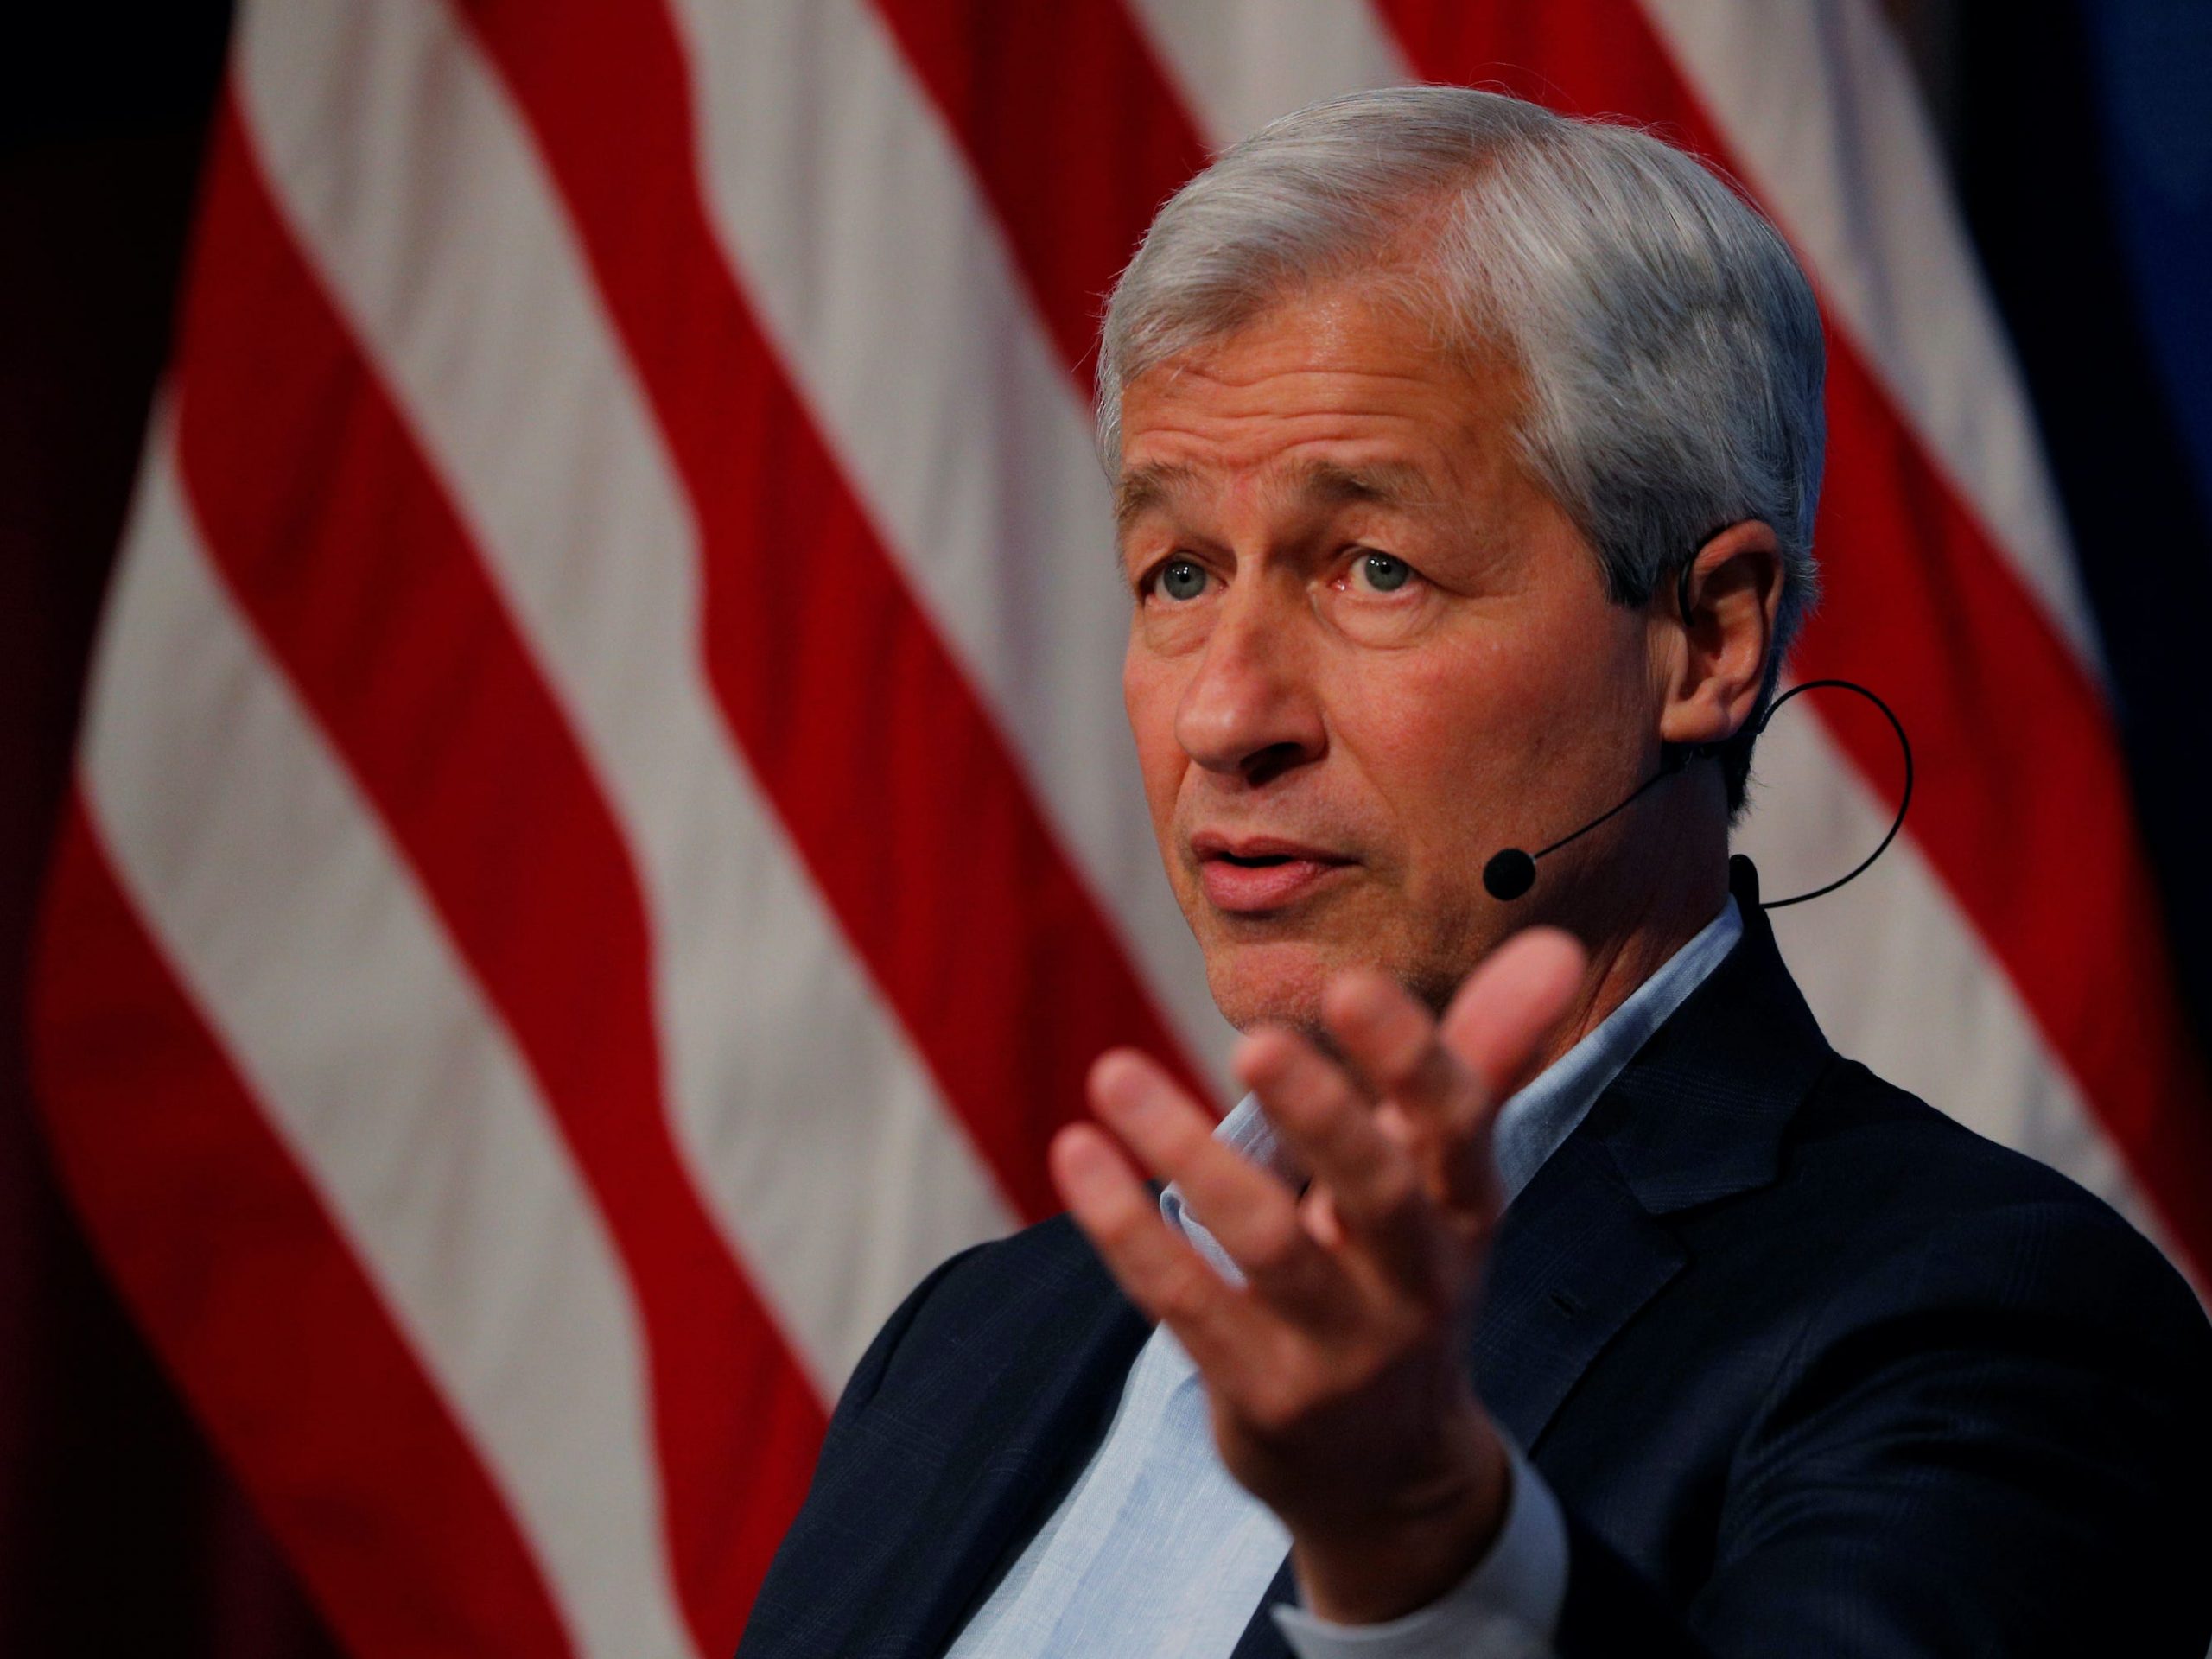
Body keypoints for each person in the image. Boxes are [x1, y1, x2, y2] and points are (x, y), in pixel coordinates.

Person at [734, 86, 2212, 1658]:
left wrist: (1433, 1549)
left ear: (1708, 639)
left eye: (1375, 568)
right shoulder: (973, 1345)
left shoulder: (1979, 1324)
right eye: (1177, 573)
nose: (1226, 713)